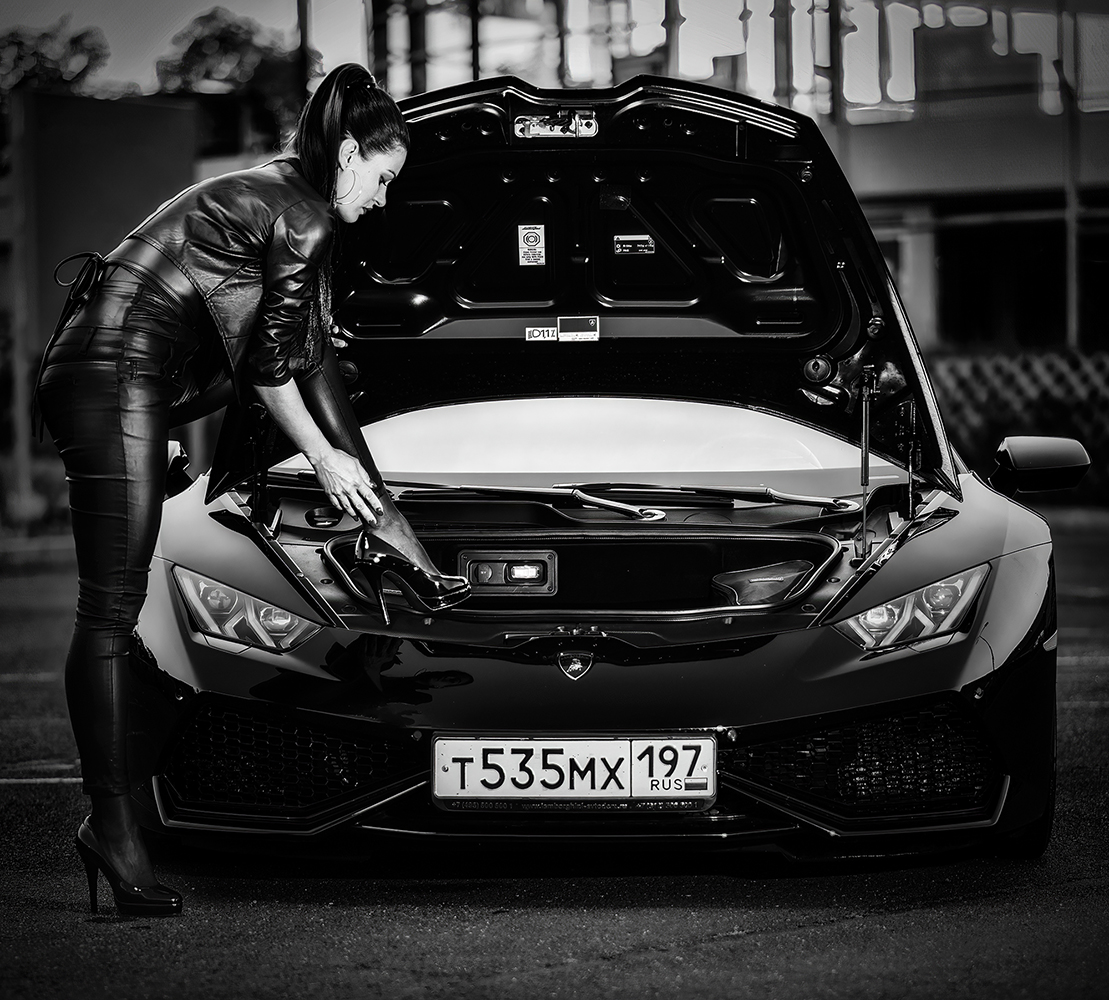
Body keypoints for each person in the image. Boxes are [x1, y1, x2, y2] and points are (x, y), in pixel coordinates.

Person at [34, 63, 468, 918]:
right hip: (113, 376)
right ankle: (114, 831)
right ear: (349, 153)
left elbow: (314, 367)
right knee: (109, 611)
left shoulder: (282, 196)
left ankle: (121, 812)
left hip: (126, 375)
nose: (382, 199)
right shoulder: (300, 213)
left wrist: (388, 518)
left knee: (134, 609)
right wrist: (326, 463)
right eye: (382, 179)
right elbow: (272, 372)